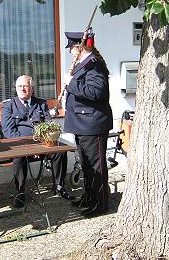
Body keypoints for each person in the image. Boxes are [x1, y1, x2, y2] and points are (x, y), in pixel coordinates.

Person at [1, 75, 75, 208]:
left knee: (60, 152)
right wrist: (31, 148)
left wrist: (40, 146)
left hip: (43, 145)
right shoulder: (8, 106)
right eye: (19, 86)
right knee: (19, 157)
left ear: (31, 88)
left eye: (25, 86)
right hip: (22, 147)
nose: (22, 89)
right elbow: (9, 132)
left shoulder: (41, 103)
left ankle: (59, 186)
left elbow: (48, 126)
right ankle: (20, 192)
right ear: (15, 88)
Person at [63, 30, 113, 217]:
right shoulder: (82, 64)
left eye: (71, 48)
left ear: (78, 47)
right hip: (82, 123)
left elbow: (97, 93)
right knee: (86, 166)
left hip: (92, 124)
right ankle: (89, 197)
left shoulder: (94, 65)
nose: (69, 52)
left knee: (96, 167)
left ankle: (100, 204)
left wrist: (71, 83)